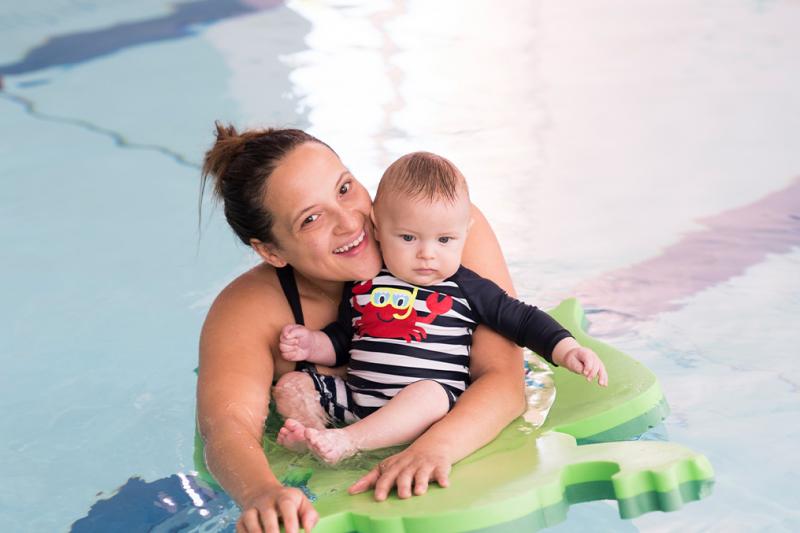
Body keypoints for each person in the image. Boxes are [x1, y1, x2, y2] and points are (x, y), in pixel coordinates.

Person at [197, 125, 530, 533]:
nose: (350, 222)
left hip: (453, 448)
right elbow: (227, 427)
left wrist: (432, 449)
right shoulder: (250, 309)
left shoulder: (437, 234)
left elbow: (505, 379)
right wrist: (262, 494)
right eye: (311, 218)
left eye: (344, 188)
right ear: (271, 251)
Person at [275, 152, 609, 464]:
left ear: (465, 233)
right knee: (292, 385)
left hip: (425, 413)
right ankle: (316, 438)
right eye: (408, 238)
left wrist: (565, 348)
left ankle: (347, 442)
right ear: (377, 227)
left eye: (444, 240)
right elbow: (343, 341)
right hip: (360, 401)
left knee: (431, 394)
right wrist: (311, 344)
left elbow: (521, 318)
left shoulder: (466, 288)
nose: (427, 254)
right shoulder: (364, 285)